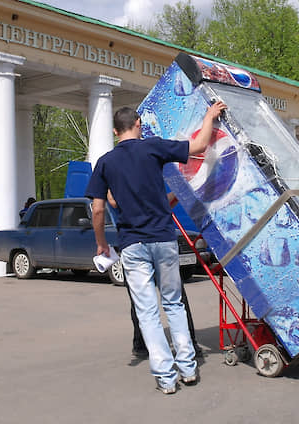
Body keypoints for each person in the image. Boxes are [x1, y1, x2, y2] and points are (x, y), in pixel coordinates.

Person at [86, 101, 226, 394]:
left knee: (147, 311)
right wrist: (210, 115)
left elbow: (98, 209)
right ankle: (188, 369)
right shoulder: (153, 148)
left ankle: (166, 377)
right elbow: (199, 146)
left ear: (114, 131)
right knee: (173, 303)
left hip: (132, 245)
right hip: (163, 238)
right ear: (138, 123)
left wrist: (101, 244)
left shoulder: (105, 163)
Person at [106, 190, 204, 361]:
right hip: (137, 245)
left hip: (156, 243)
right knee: (144, 301)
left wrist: (178, 191)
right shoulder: (116, 173)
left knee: (174, 298)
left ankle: (188, 344)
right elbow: (113, 201)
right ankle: (142, 344)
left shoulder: (145, 173)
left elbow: (166, 203)